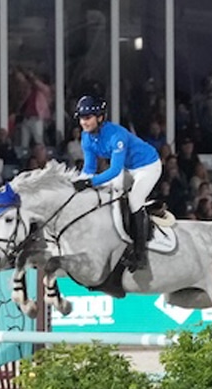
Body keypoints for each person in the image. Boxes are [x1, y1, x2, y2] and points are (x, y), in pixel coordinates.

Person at [71, 95, 165, 270]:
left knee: (134, 200)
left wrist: (90, 183)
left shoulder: (116, 135)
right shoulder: (86, 137)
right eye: (82, 119)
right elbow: (89, 168)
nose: (84, 123)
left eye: (88, 118)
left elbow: (114, 170)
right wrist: (78, 185)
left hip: (148, 166)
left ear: (100, 117)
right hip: (129, 168)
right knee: (112, 194)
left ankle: (140, 254)